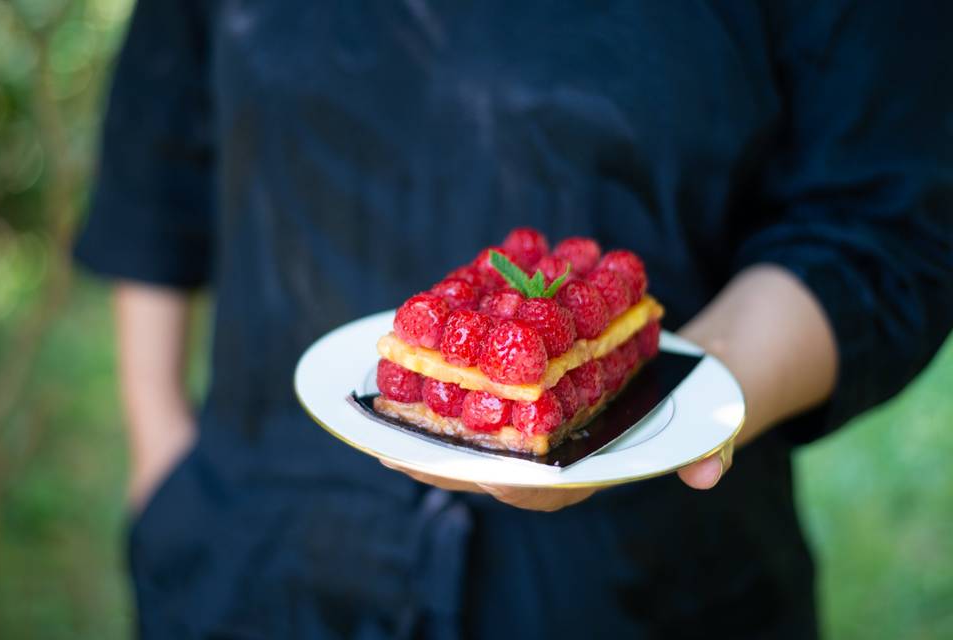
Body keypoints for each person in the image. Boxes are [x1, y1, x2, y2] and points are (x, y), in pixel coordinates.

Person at [74, 1, 953, 638]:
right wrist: (158, 450)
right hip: (249, 564)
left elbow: (885, 212)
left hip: (642, 589)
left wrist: (698, 396)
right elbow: (157, 146)